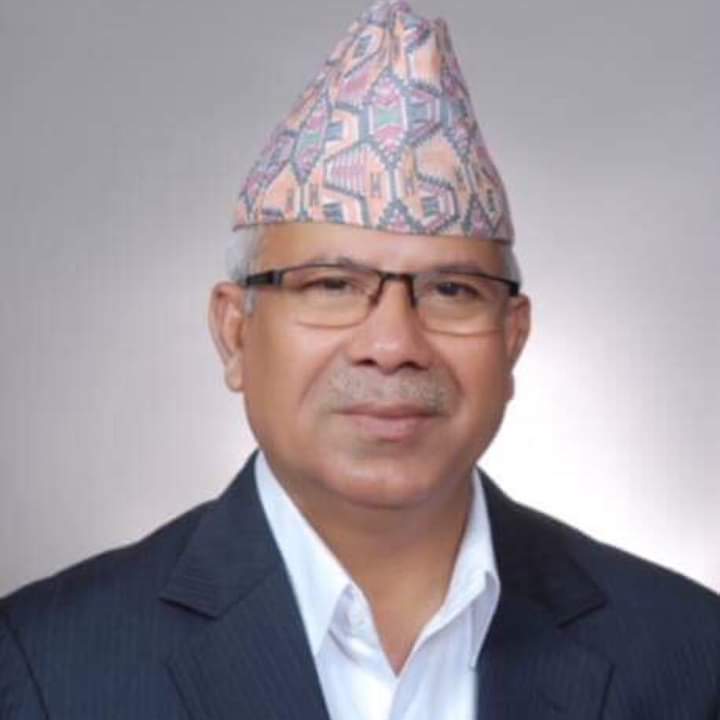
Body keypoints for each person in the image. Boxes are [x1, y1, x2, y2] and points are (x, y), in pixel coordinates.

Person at [1, 1, 718, 717]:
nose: (393, 346)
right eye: (332, 285)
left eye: (452, 290)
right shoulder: (46, 667)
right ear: (235, 332)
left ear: (513, 339)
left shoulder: (689, 655)